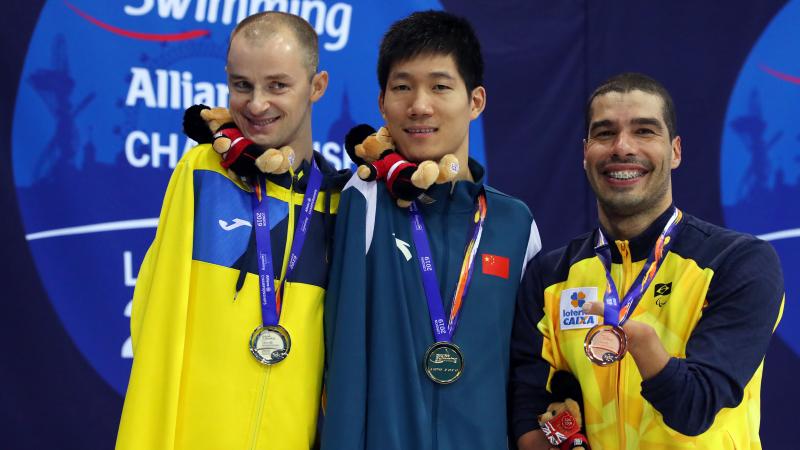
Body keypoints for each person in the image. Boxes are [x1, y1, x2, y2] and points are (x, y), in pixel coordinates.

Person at [510, 72, 785, 449]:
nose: (622, 147)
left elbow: (695, 408)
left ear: (675, 151)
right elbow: (527, 403)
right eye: (605, 133)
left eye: (644, 131)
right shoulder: (550, 277)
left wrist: (640, 342)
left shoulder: (738, 262)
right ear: (585, 152)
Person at [116, 12, 349, 450]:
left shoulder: (341, 207)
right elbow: (156, 320)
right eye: (242, 85)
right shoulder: (201, 173)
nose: (256, 104)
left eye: (277, 85)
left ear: (316, 86)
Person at [321, 11, 541, 450]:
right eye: (402, 87)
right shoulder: (359, 200)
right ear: (382, 102)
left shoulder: (515, 225)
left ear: (475, 101)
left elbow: (528, 374)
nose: (420, 105)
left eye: (440, 86)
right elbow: (339, 367)